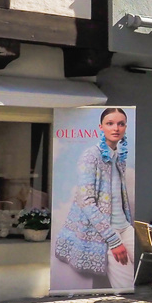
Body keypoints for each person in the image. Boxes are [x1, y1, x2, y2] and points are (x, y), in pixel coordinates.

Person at [55, 108, 135, 291]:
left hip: (124, 226)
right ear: (101, 127)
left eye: (121, 124)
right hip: (106, 233)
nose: (116, 128)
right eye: (110, 123)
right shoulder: (91, 156)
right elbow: (86, 201)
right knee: (126, 287)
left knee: (141, 270)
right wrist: (113, 240)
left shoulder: (119, 156)